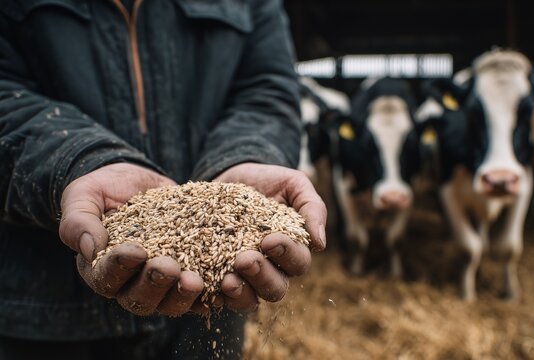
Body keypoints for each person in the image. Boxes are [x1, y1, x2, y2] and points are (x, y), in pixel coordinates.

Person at [0, 0, 327, 359]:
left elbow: (265, 90)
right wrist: (80, 161)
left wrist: (247, 155)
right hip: (43, 312)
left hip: (211, 314)